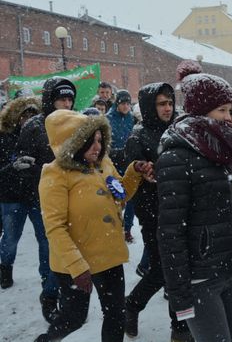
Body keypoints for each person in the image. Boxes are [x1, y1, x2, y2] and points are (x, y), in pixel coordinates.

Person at [157, 61, 232, 342]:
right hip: (201, 279)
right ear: (202, 112)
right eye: (222, 110)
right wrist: (179, 293)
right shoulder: (175, 157)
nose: (230, 117)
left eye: (230, 110)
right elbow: (170, 232)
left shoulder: (226, 149)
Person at [34, 109, 152, 342]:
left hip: (109, 257)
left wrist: (133, 171)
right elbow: (55, 227)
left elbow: (121, 193)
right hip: (76, 265)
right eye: (90, 141)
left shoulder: (103, 163)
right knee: (73, 318)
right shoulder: (55, 174)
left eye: (99, 139)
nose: (97, 146)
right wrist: (77, 266)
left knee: (115, 316)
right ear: (73, 143)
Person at [124, 82, 193, 342]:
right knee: (165, 270)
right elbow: (133, 169)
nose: (167, 108)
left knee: (179, 268)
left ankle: (179, 326)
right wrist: (144, 170)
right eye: (161, 103)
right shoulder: (138, 136)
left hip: (183, 209)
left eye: (169, 103)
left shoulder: (179, 129)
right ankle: (134, 305)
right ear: (149, 107)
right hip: (154, 213)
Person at [15, 77, 76, 322]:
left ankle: (67, 290)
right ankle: (50, 294)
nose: (67, 103)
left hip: (73, 197)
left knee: (69, 246)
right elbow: (21, 161)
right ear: (50, 100)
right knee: (51, 248)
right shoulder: (34, 126)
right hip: (44, 199)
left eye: (70, 98)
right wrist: (35, 172)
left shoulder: (76, 123)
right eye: (62, 98)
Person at [0, 96, 41, 288]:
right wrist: (12, 167)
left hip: (36, 195)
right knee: (10, 238)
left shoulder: (41, 135)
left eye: (33, 115)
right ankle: (5, 268)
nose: (28, 119)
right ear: (17, 117)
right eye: (25, 115)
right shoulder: (4, 136)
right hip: (11, 197)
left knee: (45, 238)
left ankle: (48, 276)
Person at [106, 89, 136, 242]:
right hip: (113, 163)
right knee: (114, 197)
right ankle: (114, 227)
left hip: (128, 162)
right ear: (117, 103)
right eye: (123, 103)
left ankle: (127, 228)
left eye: (128, 104)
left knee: (130, 197)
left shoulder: (132, 119)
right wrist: (115, 153)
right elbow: (104, 143)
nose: (125, 106)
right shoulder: (108, 119)